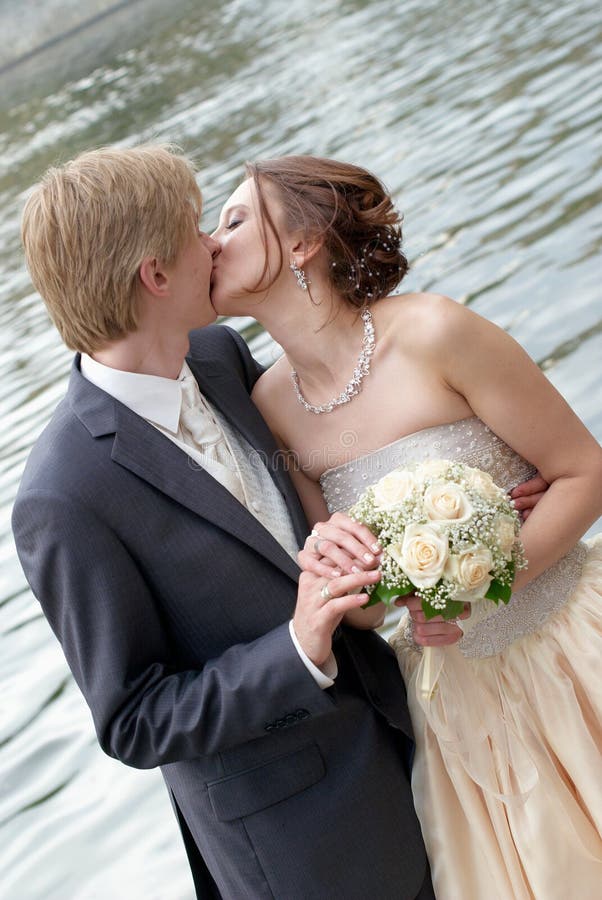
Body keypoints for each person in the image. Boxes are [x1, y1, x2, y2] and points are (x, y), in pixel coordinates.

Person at [11, 143, 483, 899]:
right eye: (195, 232)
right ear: (156, 276)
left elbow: (319, 492)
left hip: (422, 751)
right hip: (309, 851)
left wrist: (442, 524)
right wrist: (294, 648)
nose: (213, 245)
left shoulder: (221, 355)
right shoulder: (62, 497)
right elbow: (133, 718)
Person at [209, 154, 602, 900]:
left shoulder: (434, 331)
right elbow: (368, 609)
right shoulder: (270, 407)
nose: (212, 243)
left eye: (233, 220)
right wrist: (340, 575)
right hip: (463, 705)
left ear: (302, 245)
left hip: (573, 651)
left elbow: (586, 471)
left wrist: (490, 576)